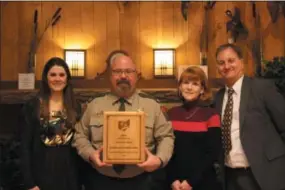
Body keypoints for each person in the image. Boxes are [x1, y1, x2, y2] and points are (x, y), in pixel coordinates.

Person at [72, 52, 174, 190]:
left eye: (129, 71)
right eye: (117, 71)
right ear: (110, 76)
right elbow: (80, 135)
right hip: (100, 181)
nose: (123, 76)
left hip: (142, 182)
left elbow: (166, 136)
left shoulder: (152, 106)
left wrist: (159, 160)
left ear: (136, 76)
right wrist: (90, 154)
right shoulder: (94, 105)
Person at [214, 43, 285, 190]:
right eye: (221, 63)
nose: (226, 66)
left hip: (264, 174)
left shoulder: (262, 88)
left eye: (231, 60)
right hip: (231, 175)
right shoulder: (218, 98)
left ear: (241, 62)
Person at [20, 57, 82, 190]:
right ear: (46, 78)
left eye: (61, 75)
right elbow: (25, 147)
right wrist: (30, 183)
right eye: (53, 74)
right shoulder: (33, 106)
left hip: (69, 175)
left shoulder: (75, 106)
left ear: (67, 78)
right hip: (41, 173)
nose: (57, 79)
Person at [166, 66, 222, 190]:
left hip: (203, 182)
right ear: (180, 87)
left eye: (195, 84)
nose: (189, 87)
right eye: (186, 83)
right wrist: (172, 179)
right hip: (174, 184)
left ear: (202, 89)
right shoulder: (171, 114)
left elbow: (213, 153)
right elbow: (166, 150)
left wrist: (191, 182)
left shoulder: (211, 115)